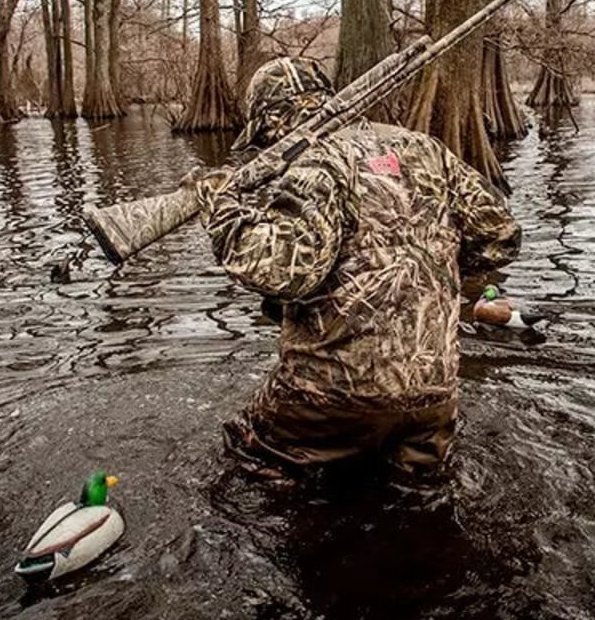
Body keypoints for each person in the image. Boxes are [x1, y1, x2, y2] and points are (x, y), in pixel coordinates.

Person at [186, 57, 520, 485]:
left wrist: (222, 206)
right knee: (418, 502)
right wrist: (430, 267)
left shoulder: (314, 161)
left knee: (246, 462)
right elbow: (502, 236)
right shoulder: (426, 148)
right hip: (433, 394)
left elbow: (277, 273)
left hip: (328, 401)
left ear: (269, 122)